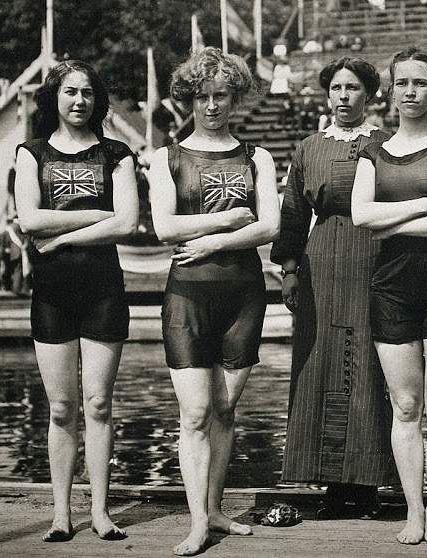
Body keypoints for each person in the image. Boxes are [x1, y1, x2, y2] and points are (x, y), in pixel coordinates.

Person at [149, 47, 280, 556]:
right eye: (202, 96)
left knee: (225, 408)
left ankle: (217, 509)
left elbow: (268, 224)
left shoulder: (257, 157)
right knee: (196, 412)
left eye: (221, 95)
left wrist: (213, 242)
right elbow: (164, 227)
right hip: (188, 295)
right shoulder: (168, 157)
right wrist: (225, 222)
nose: (211, 105)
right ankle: (197, 521)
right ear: (188, 98)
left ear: (235, 98)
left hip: (244, 294)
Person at [351, 46, 427, 545]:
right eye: (402, 83)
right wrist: (425, 202)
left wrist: (393, 219)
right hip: (392, 287)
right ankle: (413, 512)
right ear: (390, 90)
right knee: (405, 406)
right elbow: (362, 217)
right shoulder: (373, 152)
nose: (410, 92)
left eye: (420, 83)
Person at [13, 60, 139, 541]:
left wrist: (61, 235)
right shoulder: (33, 153)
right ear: (55, 98)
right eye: (70, 92)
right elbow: (28, 219)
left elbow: (127, 222)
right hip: (53, 293)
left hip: (103, 289)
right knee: (62, 409)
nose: (79, 101)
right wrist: (96, 217)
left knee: (100, 404)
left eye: (87, 92)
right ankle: (62, 513)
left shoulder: (116, 153)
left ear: (97, 99)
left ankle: (102, 511)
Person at [270, 56, 397, 520]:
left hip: (373, 260)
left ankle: (367, 485)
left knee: (366, 366)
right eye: (337, 89)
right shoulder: (309, 147)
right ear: (328, 95)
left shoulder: (386, 143)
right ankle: (329, 484)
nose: (344, 97)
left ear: (369, 95)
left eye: (354, 88)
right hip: (320, 261)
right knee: (320, 366)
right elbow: (292, 215)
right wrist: (288, 270)